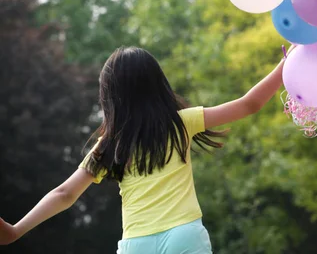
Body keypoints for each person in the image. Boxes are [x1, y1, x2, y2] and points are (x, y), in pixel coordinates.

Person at [0, 46, 291, 253]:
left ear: (110, 97)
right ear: (157, 85)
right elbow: (249, 104)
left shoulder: (111, 143)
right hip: (184, 235)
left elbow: (65, 194)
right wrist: (285, 64)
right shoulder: (180, 123)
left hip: (136, 243)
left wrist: (15, 230)